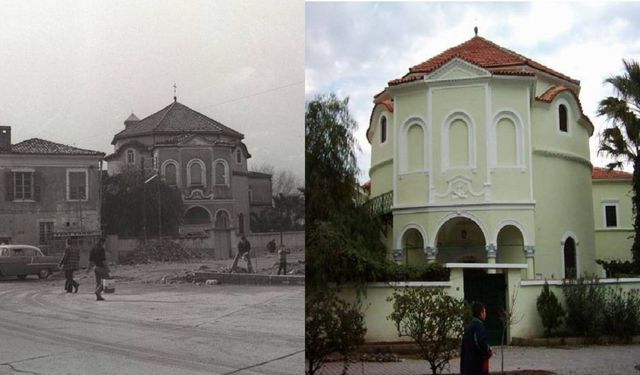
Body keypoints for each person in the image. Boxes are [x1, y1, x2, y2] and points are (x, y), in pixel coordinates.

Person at [460, 302, 493, 375]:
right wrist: (487, 350)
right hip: (476, 365)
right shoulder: (479, 326)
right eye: (484, 311)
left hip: (467, 365)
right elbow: (480, 341)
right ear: (480, 313)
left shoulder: (469, 327)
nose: (485, 313)